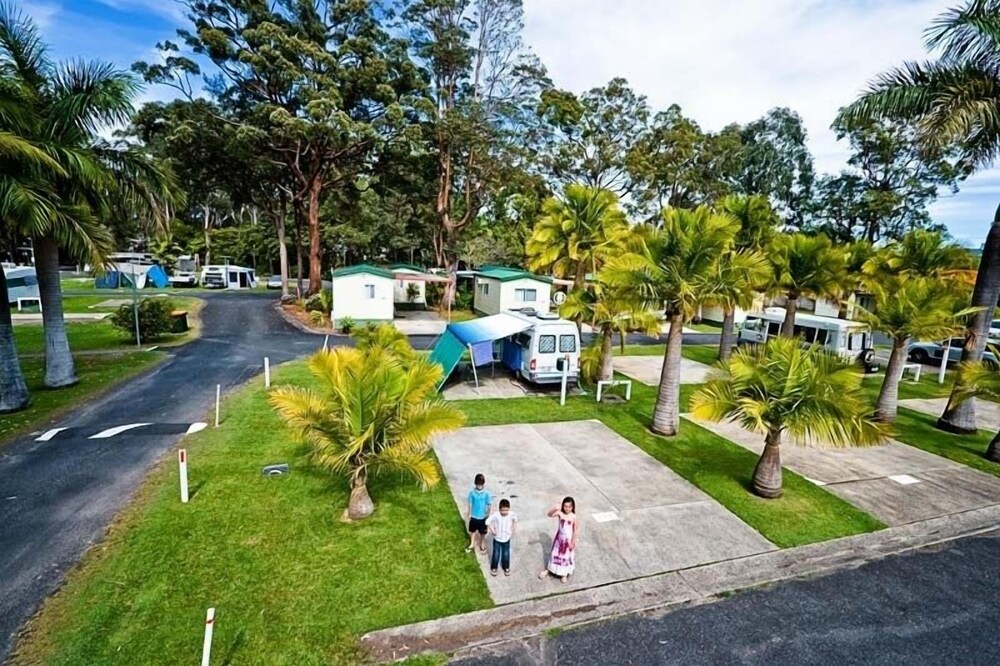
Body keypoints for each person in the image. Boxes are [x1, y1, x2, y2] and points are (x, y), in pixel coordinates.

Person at [539, 496, 578, 583]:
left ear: (573, 507)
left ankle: (564, 574)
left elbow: (575, 531)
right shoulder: (560, 513)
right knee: (554, 554)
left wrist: (573, 542)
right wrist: (555, 508)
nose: (567, 508)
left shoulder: (573, 517)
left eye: (569, 507)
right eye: (565, 506)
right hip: (559, 539)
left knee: (565, 556)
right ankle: (549, 569)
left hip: (568, 540)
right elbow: (549, 514)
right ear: (563, 506)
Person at [486, 499, 517, 577]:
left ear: (509, 509)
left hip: (507, 538)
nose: (504, 512)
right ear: (499, 509)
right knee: (496, 553)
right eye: (503, 510)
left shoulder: (511, 514)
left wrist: (512, 528)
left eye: (506, 510)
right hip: (497, 538)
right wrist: (492, 530)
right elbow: (487, 521)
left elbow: (515, 519)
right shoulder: (496, 515)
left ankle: (506, 567)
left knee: (506, 553)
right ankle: (494, 567)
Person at [466, 473, 492, 554]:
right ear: (475, 483)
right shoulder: (472, 493)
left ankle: (482, 544)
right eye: (477, 484)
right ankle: (472, 543)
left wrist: (488, 514)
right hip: (474, 515)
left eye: (480, 485)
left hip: (482, 517)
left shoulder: (487, 494)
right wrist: (469, 513)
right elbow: (470, 503)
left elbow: (489, 505)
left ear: (483, 484)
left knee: (482, 533)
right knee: (473, 531)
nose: (479, 486)